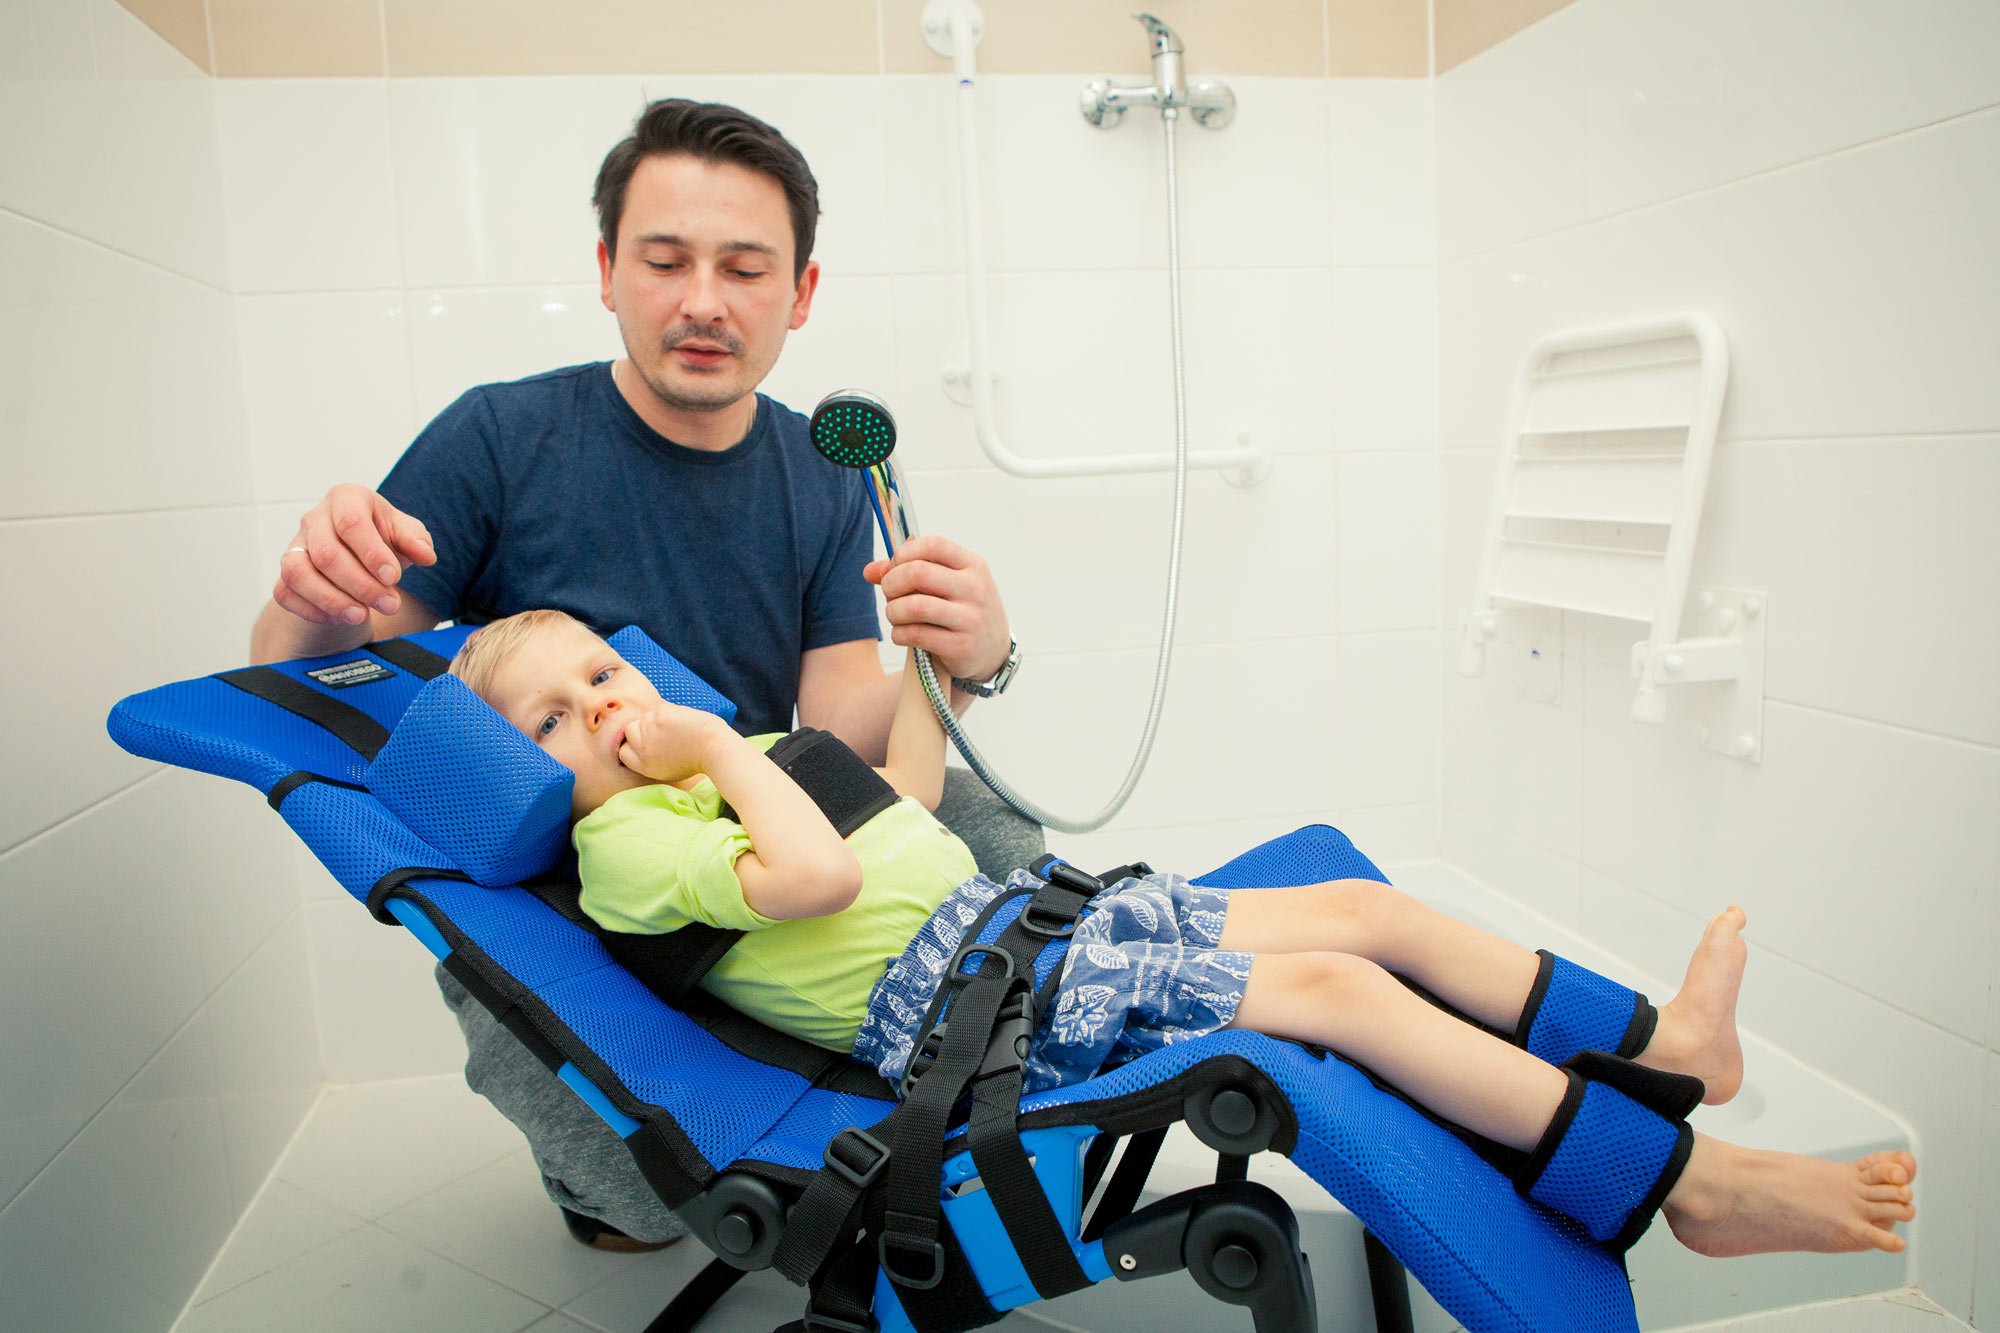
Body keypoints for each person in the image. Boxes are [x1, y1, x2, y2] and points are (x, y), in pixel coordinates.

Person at [451, 607, 1919, 1263]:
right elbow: (821, 880)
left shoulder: (731, 763)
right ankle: (1689, 1183)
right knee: (1336, 987)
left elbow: (906, 801)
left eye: (599, 674)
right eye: (553, 721)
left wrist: (921, 665)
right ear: (528, 777)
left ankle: (1671, 1049)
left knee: (1368, 910)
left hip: (1022, 921)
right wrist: (714, 748)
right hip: (971, 1006)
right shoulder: (626, 847)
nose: (601, 711)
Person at [249, 99, 1040, 1249]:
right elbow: (309, 677)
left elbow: (840, 723)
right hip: (565, 892)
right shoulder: (499, 439)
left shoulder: (818, 473)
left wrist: (962, 662)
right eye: (665, 262)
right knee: (637, 1206)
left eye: (745, 269)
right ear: (608, 272)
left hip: (755, 833)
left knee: (1009, 851)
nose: (702, 301)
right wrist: (309, 597)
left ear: (799, 294)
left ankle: (989, 1100)